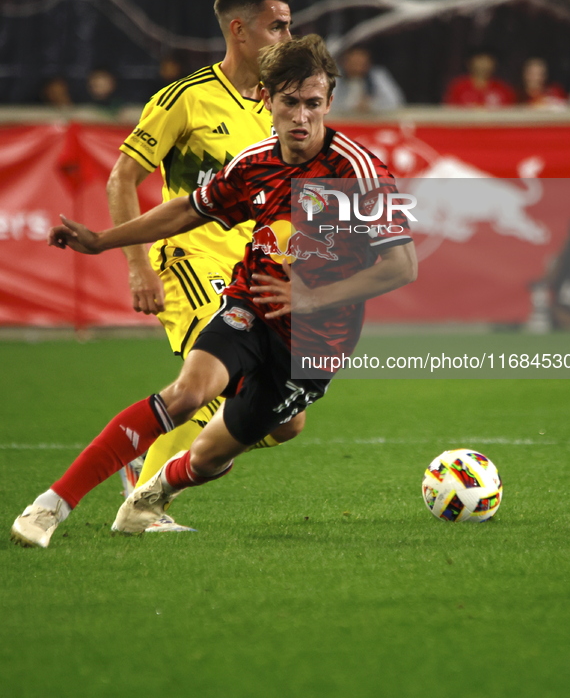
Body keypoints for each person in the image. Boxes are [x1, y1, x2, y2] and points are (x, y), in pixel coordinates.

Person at [10, 34, 417, 548]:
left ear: (329, 103)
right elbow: (187, 209)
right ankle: (49, 506)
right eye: (289, 102)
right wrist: (101, 241)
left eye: (313, 103)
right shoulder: (255, 163)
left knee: (209, 456)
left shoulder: (359, 171)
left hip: (315, 342)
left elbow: (402, 265)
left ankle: (155, 492)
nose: (300, 116)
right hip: (252, 305)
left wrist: (311, 299)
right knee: (186, 394)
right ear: (267, 99)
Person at [105, 0, 296, 532]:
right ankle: (144, 504)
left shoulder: (276, 108)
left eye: (289, 26)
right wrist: (139, 266)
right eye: (276, 26)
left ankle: (162, 448)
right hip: (190, 262)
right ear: (240, 30)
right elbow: (121, 180)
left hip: (251, 272)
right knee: (215, 387)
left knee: (286, 419)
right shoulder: (185, 99)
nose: (287, 37)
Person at [330, 46, 405, 114]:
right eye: (354, 63)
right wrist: (352, 106)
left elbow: (396, 101)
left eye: (361, 63)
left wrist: (371, 105)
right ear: (345, 62)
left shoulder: (377, 76)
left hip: (372, 121)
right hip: (342, 121)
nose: (358, 68)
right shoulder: (334, 77)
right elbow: (327, 104)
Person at [443, 49, 517, 107]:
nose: (483, 64)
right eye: (480, 60)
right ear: (470, 62)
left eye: (487, 60)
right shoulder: (458, 87)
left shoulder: (504, 89)